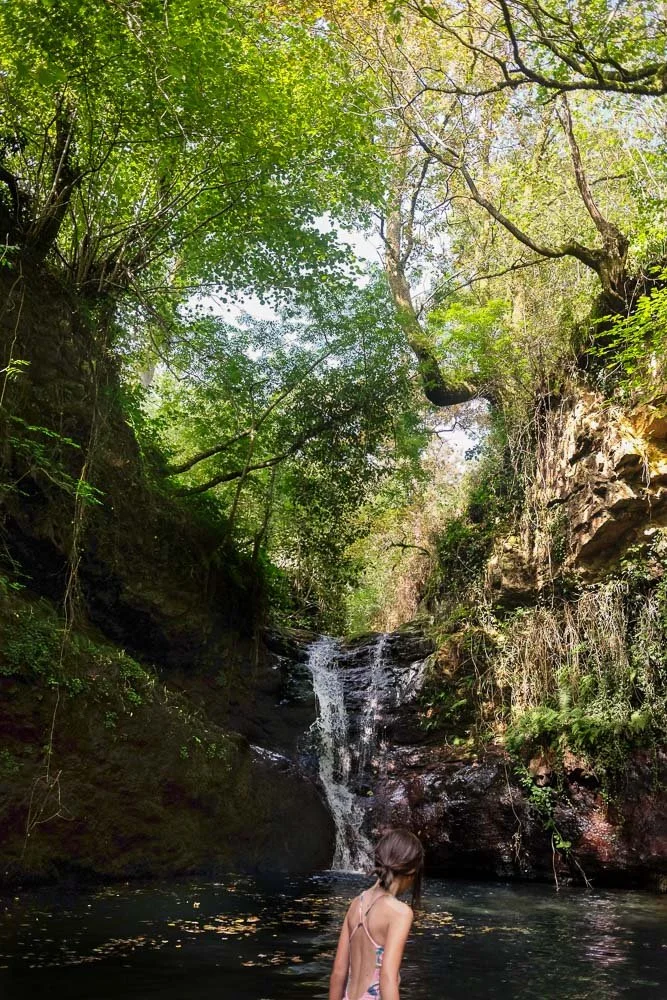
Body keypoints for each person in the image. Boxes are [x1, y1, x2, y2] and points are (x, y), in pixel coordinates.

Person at [329, 828, 424, 1000]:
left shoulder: (356, 903)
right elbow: (387, 978)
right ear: (411, 873)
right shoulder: (399, 913)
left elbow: (338, 973)